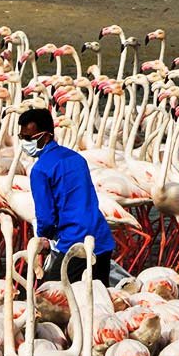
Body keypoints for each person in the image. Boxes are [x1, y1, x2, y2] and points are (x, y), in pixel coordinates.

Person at [19, 107, 116, 286]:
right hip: (101, 237)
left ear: (45, 136)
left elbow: (46, 217)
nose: (24, 143)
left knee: (51, 298)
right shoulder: (76, 158)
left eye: (28, 138)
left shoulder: (40, 170)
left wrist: (44, 239)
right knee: (99, 297)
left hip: (76, 242)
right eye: (21, 137)